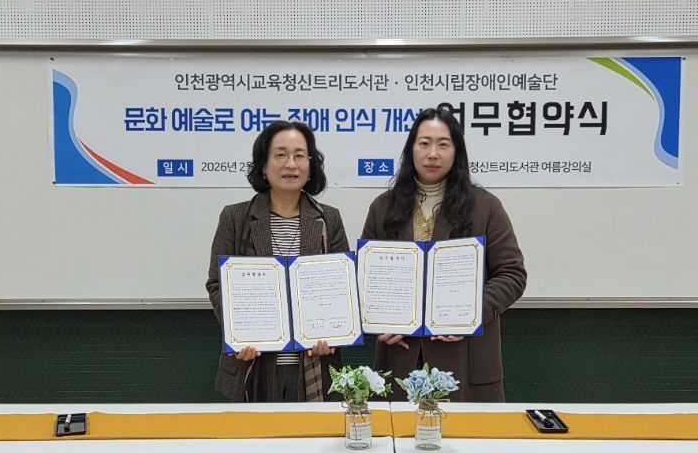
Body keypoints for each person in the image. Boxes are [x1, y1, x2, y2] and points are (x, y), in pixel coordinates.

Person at [361, 106, 527, 402]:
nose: (433, 154)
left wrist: (469, 314)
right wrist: (376, 320)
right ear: (411, 149)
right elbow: (365, 280)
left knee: (465, 432)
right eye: (424, 143)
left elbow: (512, 274)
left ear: (457, 151)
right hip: (400, 358)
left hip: (465, 360)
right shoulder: (383, 207)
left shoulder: (485, 207)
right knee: (398, 431)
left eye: (443, 144)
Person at [206, 121, 349, 402]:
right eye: (280, 155)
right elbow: (216, 284)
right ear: (263, 165)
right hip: (253, 363)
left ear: (311, 165)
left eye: (299, 155)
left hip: (312, 365)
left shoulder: (328, 219)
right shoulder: (235, 217)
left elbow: (341, 289)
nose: (290, 164)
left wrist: (334, 336)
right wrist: (238, 335)